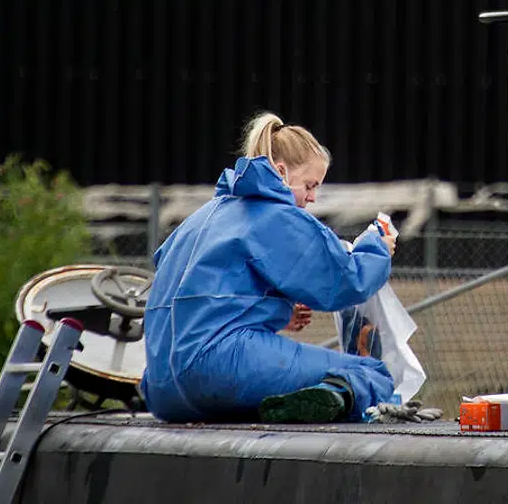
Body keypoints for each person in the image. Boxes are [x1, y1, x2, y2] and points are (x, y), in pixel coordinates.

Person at [138, 111, 398, 423]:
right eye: (310, 185)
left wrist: (275, 310)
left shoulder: (201, 218)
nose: (313, 198)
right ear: (281, 170)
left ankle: (286, 403)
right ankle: (325, 398)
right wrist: (375, 248)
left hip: (161, 389)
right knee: (371, 374)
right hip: (216, 367)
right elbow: (346, 281)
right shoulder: (274, 215)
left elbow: (197, 298)